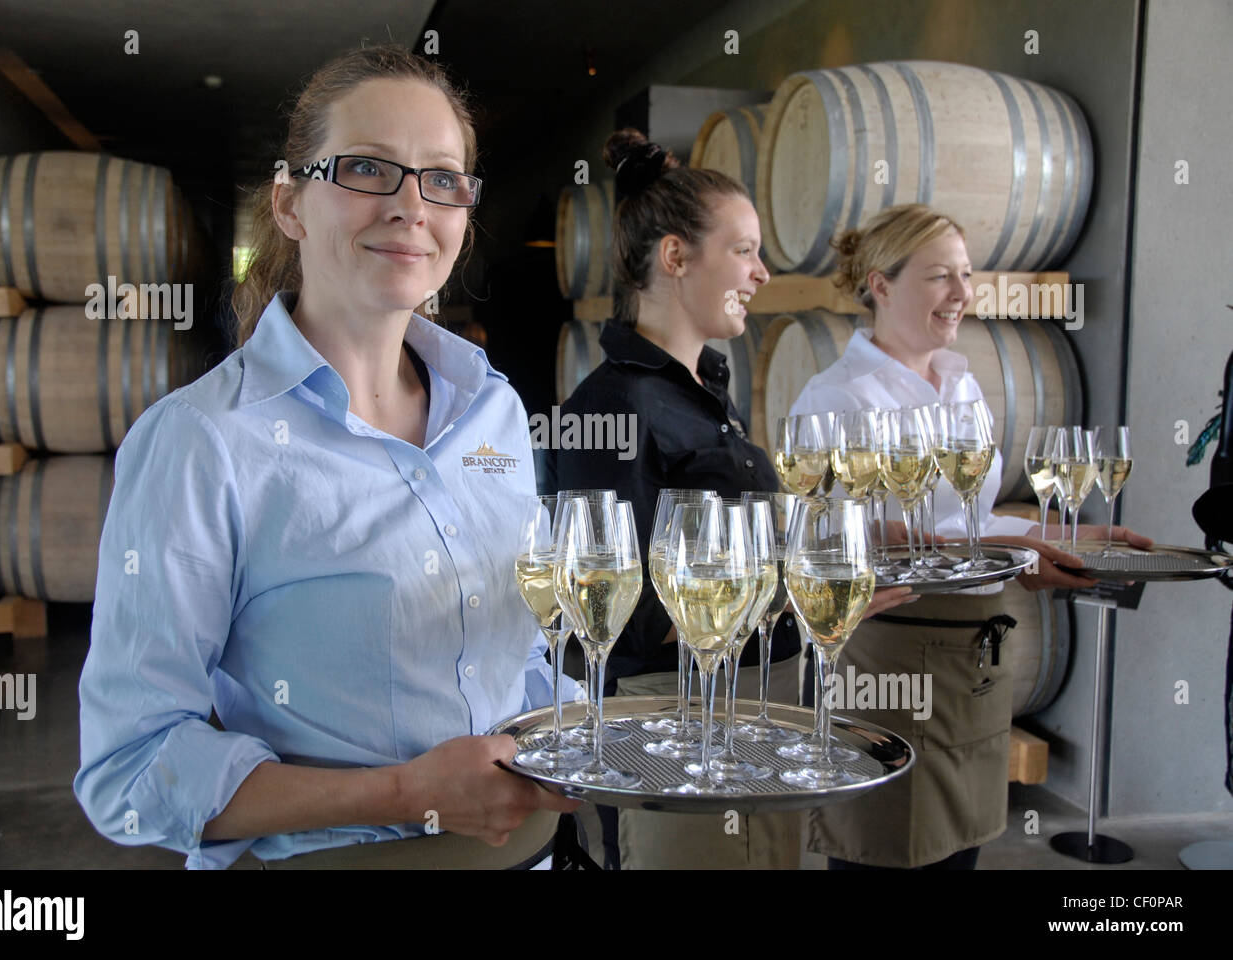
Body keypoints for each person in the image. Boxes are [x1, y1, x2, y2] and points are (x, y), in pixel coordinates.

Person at [73, 44, 581, 870]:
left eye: (442, 178)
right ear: (289, 203)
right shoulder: (202, 441)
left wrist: (601, 737)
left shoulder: (494, 411)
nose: (412, 207)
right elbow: (130, 771)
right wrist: (407, 792)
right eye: (367, 169)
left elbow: (520, 657)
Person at [553, 130, 913, 869]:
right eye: (744, 250)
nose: (762, 271)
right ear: (676, 258)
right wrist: (792, 589)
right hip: (674, 723)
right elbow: (616, 616)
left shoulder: (700, 390)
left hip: (749, 702)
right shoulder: (615, 407)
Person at [791, 203, 1152, 869]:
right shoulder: (838, 397)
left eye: (965, 273)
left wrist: (1065, 534)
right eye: (939, 277)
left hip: (976, 648)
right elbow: (835, 548)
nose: (963, 294)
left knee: (959, 850)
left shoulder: (960, 385)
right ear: (881, 284)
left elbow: (967, 526)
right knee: (884, 846)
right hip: (888, 654)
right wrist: (1017, 555)